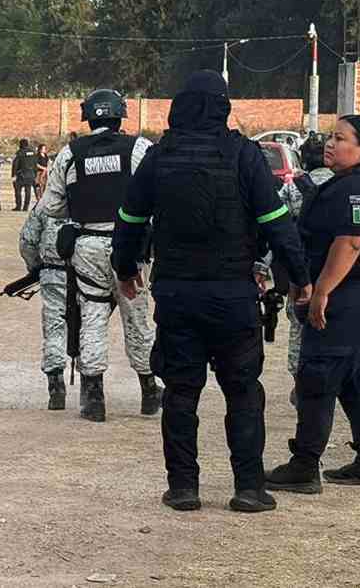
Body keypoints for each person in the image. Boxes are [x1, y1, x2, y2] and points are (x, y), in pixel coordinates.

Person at [112, 70, 311, 514]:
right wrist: (300, 275)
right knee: (242, 390)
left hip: (177, 295)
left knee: (181, 392)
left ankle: (183, 488)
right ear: (223, 107)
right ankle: (249, 488)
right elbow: (276, 222)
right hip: (233, 295)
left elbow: (128, 220)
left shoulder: (159, 158)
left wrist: (125, 269)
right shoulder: (244, 155)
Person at [265, 116, 360, 495]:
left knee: (317, 378)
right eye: (330, 136)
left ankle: (305, 465)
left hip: (348, 296)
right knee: (357, 380)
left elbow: (352, 241)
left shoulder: (358, 186)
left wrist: (322, 291)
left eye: (340, 139)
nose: (330, 143)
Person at [40, 89, 160, 422]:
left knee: (91, 316)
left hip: (88, 244)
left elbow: (51, 206)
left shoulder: (70, 153)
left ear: (88, 118)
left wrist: (80, 208)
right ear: (120, 116)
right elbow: (156, 191)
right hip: (130, 245)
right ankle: (150, 392)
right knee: (136, 316)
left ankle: (93, 397)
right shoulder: (139, 148)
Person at [256, 132, 334, 405]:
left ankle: (300, 383)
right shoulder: (346, 186)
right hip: (339, 272)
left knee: (299, 328)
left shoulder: (293, 189)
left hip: (302, 271)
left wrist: (261, 267)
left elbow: (276, 231)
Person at [18, 201, 69, 409]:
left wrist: (36, 267)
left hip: (52, 272)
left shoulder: (46, 204)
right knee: (90, 326)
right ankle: (92, 389)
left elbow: (27, 242)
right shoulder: (95, 196)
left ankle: (56, 385)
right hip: (86, 273)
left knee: (54, 326)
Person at [11, 139, 37, 211]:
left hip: (21, 174)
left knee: (18, 191)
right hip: (31, 174)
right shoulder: (33, 152)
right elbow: (35, 164)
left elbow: (15, 164)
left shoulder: (20, 153)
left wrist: (13, 175)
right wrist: (35, 174)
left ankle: (18, 206)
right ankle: (26, 207)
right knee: (28, 191)